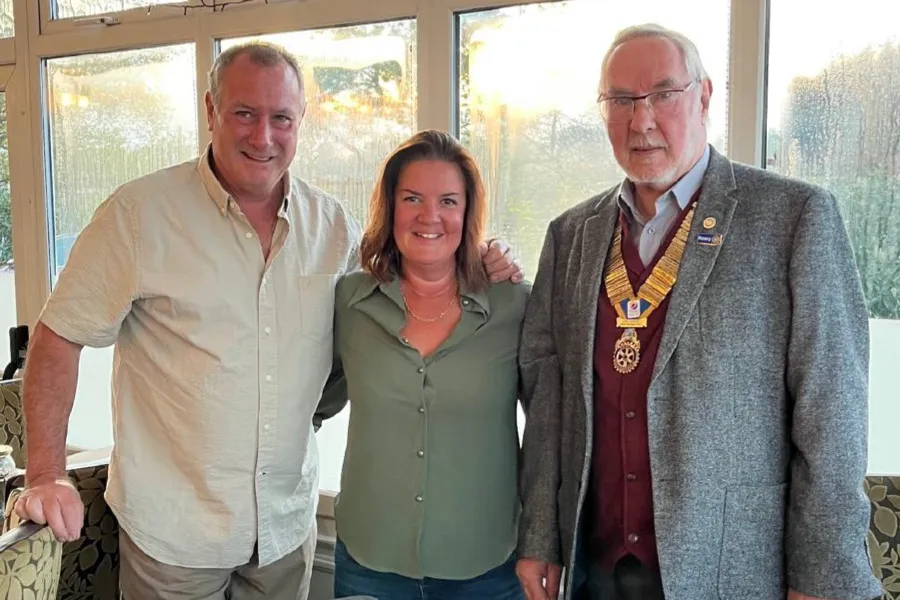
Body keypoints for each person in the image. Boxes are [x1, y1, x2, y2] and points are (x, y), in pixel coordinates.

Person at [14, 42, 521, 600]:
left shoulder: (333, 229)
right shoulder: (139, 215)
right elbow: (58, 336)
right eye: (244, 114)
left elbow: (399, 297)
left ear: (300, 121)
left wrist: (485, 261)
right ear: (211, 111)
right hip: (174, 539)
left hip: (283, 537)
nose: (263, 137)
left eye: (281, 117)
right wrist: (46, 472)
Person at [514, 23, 883, 600]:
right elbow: (549, 404)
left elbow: (831, 419)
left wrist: (821, 579)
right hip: (596, 569)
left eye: (663, 94)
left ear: (704, 96)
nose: (642, 120)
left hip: (733, 572)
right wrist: (540, 535)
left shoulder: (792, 219)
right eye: (622, 101)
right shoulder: (571, 236)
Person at [313, 129, 528, 600]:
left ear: (468, 213)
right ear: (390, 207)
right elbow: (308, 398)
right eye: (412, 198)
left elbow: (553, 432)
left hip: (485, 569)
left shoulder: (516, 305)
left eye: (449, 201)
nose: (430, 216)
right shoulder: (349, 300)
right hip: (370, 561)